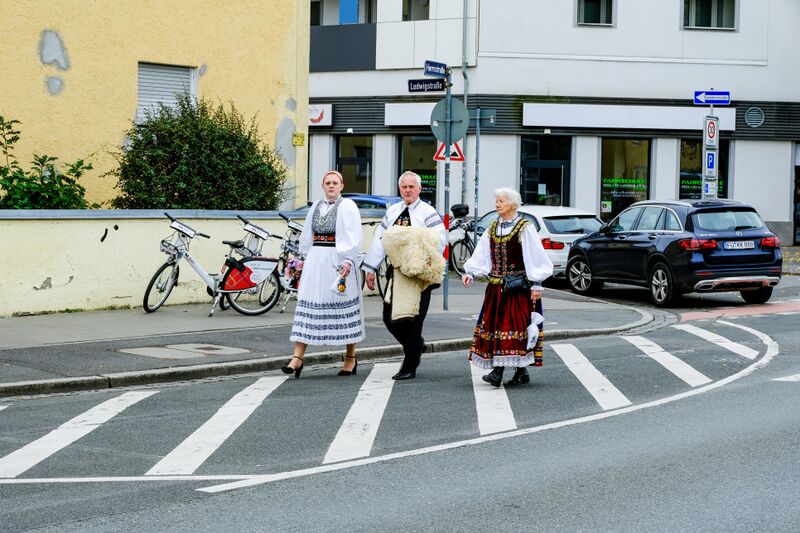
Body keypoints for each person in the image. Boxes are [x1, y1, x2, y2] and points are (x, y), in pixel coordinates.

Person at [462, 188, 554, 387]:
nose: (497, 204)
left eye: (501, 201)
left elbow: (535, 256)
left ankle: (498, 372)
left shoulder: (524, 228)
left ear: (512, 204)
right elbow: (482, 255)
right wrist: (470, 272)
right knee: (496, 328)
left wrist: (537, 283)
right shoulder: (493, 228)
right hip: (495, 288)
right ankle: (520, 372)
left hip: (517, 288)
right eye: (496, 201)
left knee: (513, 328)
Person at [363, 171, 446, 380]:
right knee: (389, 317)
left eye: (411, 187)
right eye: (404, 187)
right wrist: (371, 269)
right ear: (400, 189)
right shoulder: (392, 212)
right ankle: (417, 346)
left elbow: (440, 241)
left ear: (419, 189)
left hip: (420, 276)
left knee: (414, 320)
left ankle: (410, 364)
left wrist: (420, 257)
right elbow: (380, 240)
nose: (408, 190)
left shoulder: (428, 212)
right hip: (397, 273)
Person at [282, 170, 364, 378]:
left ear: (342, 186)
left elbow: (353, 235)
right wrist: (302, 260)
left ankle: (350, 356)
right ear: (322, 185)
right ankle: (297, 357)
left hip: (337, 259)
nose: (331, 186)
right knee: (310, 301)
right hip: (316, 260)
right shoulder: (316, 207)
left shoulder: (348, 206)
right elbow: (307, 236)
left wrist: (348, 259)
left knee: (341, 303)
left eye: (335, 182)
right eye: (327, 182)